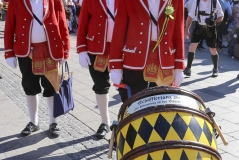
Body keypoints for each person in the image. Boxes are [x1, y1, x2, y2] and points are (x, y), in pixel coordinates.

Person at [4, 0, 70, 137]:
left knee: (52, 87)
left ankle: (53, 122)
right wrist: (9, 52)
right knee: (30, 86)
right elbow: (9, 26)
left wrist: (66, 49)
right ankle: (33, 122)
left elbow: (62, 22)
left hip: (50, 50)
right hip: (26, 51)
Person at [109, 0, 185, 103]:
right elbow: (119, 30)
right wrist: (115, 67)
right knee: (133, 105)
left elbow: (178, 31)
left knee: (162, 107)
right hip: (134, 59)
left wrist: (179, 68)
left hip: (165, 60)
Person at [76, 0, 117, 139]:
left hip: (121, 49)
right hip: (96, 48)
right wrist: (81, 50)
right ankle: (105, 122)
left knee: (125, 87)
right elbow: (82, 24)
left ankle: (127, 121)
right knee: (100, 86)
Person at [184, 0, 224, 77]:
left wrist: (215, 21)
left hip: (211, 28)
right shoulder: (197, 1)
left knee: (213, 49)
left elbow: (221, 15)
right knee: (192, 46)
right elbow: (190, 15)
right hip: (199, 26)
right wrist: (187, 29)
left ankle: (215, 68)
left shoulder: (215, 2)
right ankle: (188, 68)